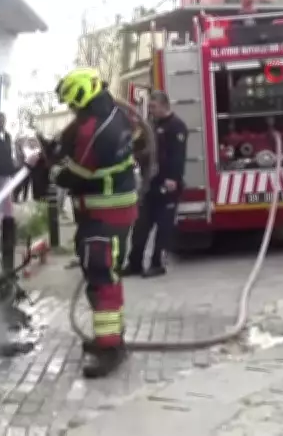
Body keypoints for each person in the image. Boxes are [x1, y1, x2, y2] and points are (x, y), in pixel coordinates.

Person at [37, 67, 138, 378]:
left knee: (102, 276)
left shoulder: (93, 131)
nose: (72, 110)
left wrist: (51, 168)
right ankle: (112, 339)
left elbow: (75, 174)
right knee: (104, 275)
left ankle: (109, 349)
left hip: (103, 214)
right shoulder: (113, 113)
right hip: (114, 211)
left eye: (73, 105)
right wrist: (58, 147)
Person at [123, 90, 188, 278]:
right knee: (141, 226)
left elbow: (177, 155)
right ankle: (134, 263)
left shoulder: (177, 126)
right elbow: (147, 150)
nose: (150, 110)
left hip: (167, 184)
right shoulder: (151, 126)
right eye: (149, 107)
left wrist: (173, 179)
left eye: (153, 106)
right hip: (150, 184)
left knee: (163, 227)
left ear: (164, 105)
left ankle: (157, 264)